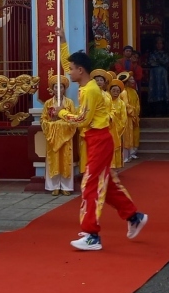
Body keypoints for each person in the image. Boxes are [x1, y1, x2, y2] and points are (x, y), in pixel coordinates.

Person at [58, 50, 147, 251]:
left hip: (98, 139)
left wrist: (61, 113)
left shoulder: (90, 90)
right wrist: (62, 41)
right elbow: (65, 64)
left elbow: (83, 120)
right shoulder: (85, 85)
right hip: (96, 140)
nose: (68, 72)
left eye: (71, 70)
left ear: (80, 70)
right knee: (105, 184)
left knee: (90, 185)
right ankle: (133, 216)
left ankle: (92, 234)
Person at [41, 74, 76, 196]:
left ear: (64, 88)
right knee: (53, 159)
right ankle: (54, 186)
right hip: (53, 137)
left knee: (66, 160)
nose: (58, 90)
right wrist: (52, 124)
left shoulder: (70, 103)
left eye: (61, 87)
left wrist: (63, 123)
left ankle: (66, 186)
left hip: (66, 137)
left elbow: (73, 120)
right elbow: (43, 120)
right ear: (52, 89)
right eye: (56, 87)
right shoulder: (48, 103)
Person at [145, 36, 169, 113]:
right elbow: (151, 63)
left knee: (163, 88)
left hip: (162, 74)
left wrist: (158, 62)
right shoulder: (152, 54)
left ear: (163, 45)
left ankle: (164, 107)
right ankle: (153, 108)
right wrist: (160, 63)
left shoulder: (165, 54)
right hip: (154, 74)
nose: (159, 45)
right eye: (157, 43)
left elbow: (166, 62)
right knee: (154, 89)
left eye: (161, 43)